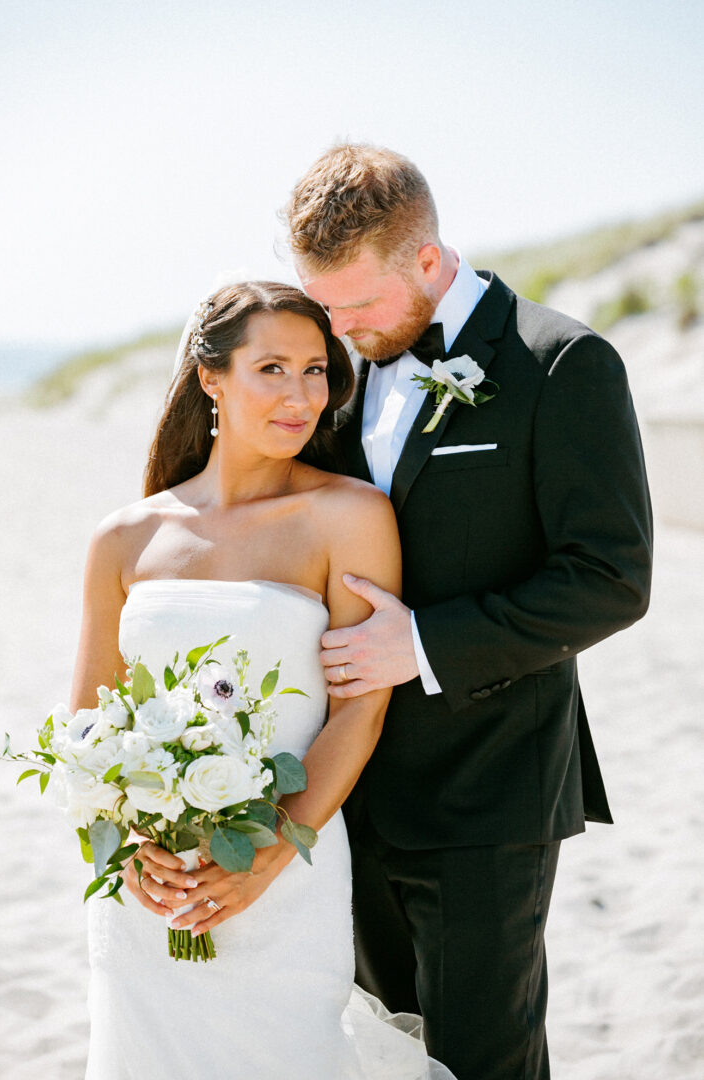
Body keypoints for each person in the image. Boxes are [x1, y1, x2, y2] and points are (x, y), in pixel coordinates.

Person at [284, 144, 652, 1080]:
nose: (339, 325)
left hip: (492, 792)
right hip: (350, 789)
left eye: (357, 303)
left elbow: (610, 577)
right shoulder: (339, 365)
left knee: (484, 1062)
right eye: (323, 302)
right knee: (386, 1051)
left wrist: (422, 645)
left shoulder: (559, 364)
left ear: (426, 256)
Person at [82, 281, 452, 1078]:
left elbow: (359, 712)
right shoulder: (123, 538)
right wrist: (139, 844)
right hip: (147, 887)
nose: (300, 396)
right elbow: (89, 722)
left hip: (288, 870)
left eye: (316, 371)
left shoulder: (348, 516)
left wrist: (269, 850)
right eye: (272, 369)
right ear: (210, 377)